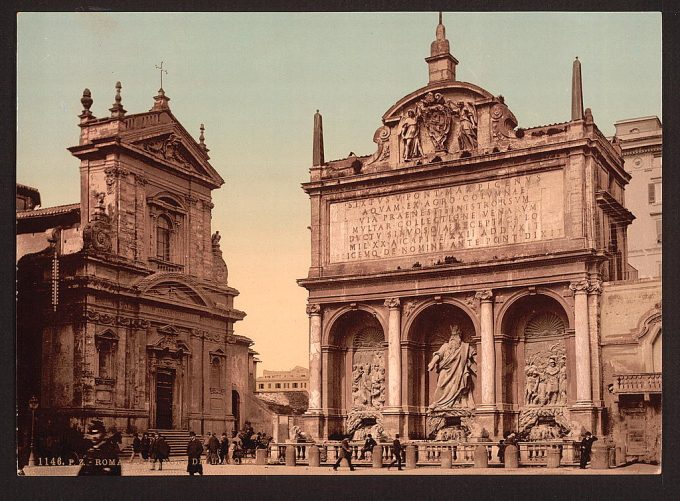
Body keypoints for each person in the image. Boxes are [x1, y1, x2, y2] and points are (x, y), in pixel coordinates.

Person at [427, 325, 476, 412]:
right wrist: (432, 363)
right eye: (452, 337)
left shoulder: (465, 347)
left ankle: (460, 401)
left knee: (464, 378)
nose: (453, 339)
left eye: (455, 336)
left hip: (459, 370)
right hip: (445, 370)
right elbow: (438, 354)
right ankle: (437, 402)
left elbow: (474, 356)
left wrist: (480, 365)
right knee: (440, 385)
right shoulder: (445, 346)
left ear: (459, 338)